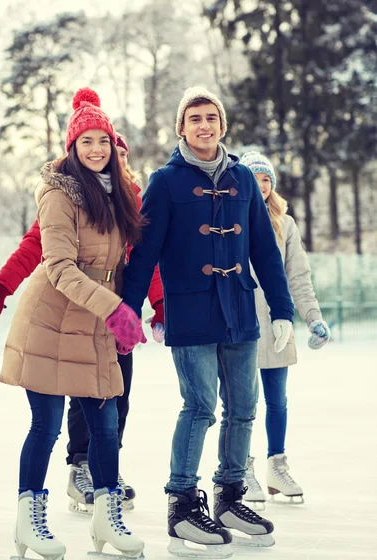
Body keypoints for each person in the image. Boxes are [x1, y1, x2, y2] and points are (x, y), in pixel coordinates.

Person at [121, 86, 295, 556]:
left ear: (222, 124)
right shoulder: (165, 182)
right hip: (191, 309)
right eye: (194, 118)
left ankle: (231, 498)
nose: (204, 125)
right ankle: (181, 506)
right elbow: (143, 255)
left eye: (211, 117)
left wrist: (282, 308)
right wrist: (126, 310)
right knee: (199, 406)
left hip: (238, 309)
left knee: (243, 407)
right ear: (182, 127)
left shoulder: (241, 178)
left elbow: (263, 249)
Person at [0, 133, 165, 515]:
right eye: (104, 149)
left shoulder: (129, 200)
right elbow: (37, 249)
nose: (111, 157)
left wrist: (158, 305)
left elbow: (145, 260)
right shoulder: (69, 197)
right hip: (75, 313)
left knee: (115, 401)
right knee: (77, 402)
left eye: (118, 152)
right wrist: (1, 287)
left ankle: (105, 471)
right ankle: (80, 467)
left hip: (118, 319)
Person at [0, 87, 146, 560]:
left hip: (97, 320)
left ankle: (106, 520)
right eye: (87, 142)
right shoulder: (58, 194)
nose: (97, 150)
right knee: (45, 426)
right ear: (73, 148)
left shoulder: (121, 193)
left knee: (105, 425)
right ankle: (28, 522)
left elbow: (127, 260)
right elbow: (59, 268)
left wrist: (137, 307)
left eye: (103, 141)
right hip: (51, 321)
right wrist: (116, 310)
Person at [240, 151, 330, 508]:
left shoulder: (285, 224)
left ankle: (276, 465)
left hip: (277, 323)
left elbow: (298, 277)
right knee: (242, 403)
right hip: (242, 325)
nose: (261, 186)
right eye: (254, 178)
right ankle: (240, 469)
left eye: (266, 179)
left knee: (277, 401)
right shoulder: (231, 218)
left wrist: (313, 317)